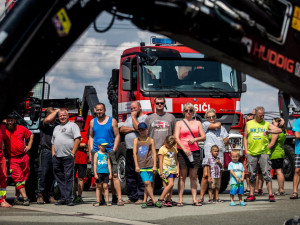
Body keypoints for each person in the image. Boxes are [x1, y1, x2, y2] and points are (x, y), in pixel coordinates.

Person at [243, 106, 282, 202]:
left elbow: (279, 130)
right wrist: (246, 151)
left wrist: (269, 131)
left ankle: (271, 194)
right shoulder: (249, 124)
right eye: (260, 115)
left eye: (263, 115)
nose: (262, 117)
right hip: (252, 152)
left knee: (266, 173)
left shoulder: (266, 124)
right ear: (255, 115)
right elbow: (245, 137)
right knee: (252, 173)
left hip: (264, 152)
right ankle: (252, 194)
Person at [88, 103, 123, 206]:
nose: (99, 112)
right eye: (97, 110)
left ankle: (118, 198)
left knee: (114, 175)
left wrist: (114, 149)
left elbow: (117, 136)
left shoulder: (112, 121)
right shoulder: (92, 122)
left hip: (109, 151)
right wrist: (91, 151)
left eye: (101, 110)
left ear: (104, 110)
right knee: (99, 175)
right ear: (95, 110)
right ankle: (101, 199)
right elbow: (90, 136)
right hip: (97, 152)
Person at [174, 103, 206, 206]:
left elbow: (203, 136)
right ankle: (180, 199)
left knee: (193, 176)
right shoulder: (179, 123)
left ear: (193, 112)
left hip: (195, 151)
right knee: (182, 176)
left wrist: (195, 139)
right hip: (182, 151)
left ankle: (194, 199)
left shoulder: (198, 123)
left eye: (190, 110)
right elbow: (176, 137)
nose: (188, 112)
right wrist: (184, 149)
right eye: (186, 110)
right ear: (183, 111)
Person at [145, 96, 176, 191]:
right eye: (158, 103)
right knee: (152, 175)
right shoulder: (149, 118)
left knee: (167, 175)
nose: (159, 105)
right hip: (154, 150)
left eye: (161, 103)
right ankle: (151, 198)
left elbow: (174, 133)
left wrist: (174, 148)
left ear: (164, 104)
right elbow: (146, 134)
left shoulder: (171, 117)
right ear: (154, 104)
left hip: (167, 150)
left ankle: (167, 198)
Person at [51, 108, 81, 206]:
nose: (62, 117)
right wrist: (53, 154)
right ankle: (63, 198)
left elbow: (77, 139)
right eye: (60, 116)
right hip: (57, 157)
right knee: (59, 178)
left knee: (69, 177)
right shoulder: (56, 127)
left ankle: (70, 198)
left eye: (64, 115)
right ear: (58, 117)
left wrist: (72, 153)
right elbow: (53, 142)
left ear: (68, 116)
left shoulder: (73, 125)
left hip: (68, 156)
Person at [120, 101, 147, 204]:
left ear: (140, 107)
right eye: (131, 109)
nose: (133, 110)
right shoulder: (128, 118)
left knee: (140, 173)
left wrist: (134, 118)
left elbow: (139, 128)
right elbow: (122, 129)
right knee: (129, 174)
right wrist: (132, 129)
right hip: (130, 149)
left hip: (141, 149)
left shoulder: (144, 118)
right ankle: (132, 197)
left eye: (134, 108)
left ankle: (141, 197)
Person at [199, 108, 228, 203]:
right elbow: (217, 124)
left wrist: (226, 140)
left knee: (218, 176)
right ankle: (202, 197)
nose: (211, 118)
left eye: (213, 116)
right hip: (208, 154)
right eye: (209, 117)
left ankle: (216, 197)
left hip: (219, 154)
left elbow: (226, 139)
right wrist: (219, 124)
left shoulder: (223, 129)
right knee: (206, 175)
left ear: (216, 116)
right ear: (206, 118)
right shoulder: (205, 124)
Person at [4, 113, 34, 206]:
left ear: (14, 121)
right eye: (8, 120)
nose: (9, 122)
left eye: (11, 120)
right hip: (13, 159)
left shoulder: (21, 128)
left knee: (23, 179)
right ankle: (25, 198)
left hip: (24, 157)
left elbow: (31, 135)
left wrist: (29, 146)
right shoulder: (4, 130)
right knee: (18, 179)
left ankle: (16, 198)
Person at [133, 122, 162, 208]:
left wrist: (154, 165)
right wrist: (136, 165)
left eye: (143, 130)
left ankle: (145, 200)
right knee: (146, 182)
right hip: (141, 165)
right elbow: (134, 153)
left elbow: (153, 153)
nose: (142, 131)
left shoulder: (151, 140)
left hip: (149, 164)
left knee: (148, 184)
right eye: (140, 130)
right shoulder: (136, 140)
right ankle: (154, 200)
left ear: (147, 130)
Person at [37, 107, 58, 204]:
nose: (55, 116)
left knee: (53, 174)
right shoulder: (43, 123)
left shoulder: (57, 125)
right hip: (46, 151)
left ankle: (50, 194)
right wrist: (57, 111)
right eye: (52, 114)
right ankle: (40, 195)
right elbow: (48, 119)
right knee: (43, 173)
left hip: (57, 151)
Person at [157, 135, 179, 207]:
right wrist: (161, 172)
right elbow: (160, 161)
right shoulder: (162, 149)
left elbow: (176, 160)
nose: (169, 147)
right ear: (165, 142)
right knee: (170, 184)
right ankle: (161, 198)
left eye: (171, 146)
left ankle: (168, 199)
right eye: (168, 145)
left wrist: (177, 170)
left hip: (173, 168)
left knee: (171, 186)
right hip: (166, 169)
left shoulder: (174, 149)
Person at [268, 118, 286, 196]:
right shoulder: (283, 130)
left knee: (279, 172)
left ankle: (281, 189)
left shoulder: (276, 132)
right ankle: (281, 189)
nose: (271, 124)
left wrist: (263, 150)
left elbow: (272, 144)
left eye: (273, 123)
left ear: (278, 123)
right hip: (281, 152)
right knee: (280, 171)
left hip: (275, 153)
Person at [74, 115, 88, 204]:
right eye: (78, 122)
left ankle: (79, 196)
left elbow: (84, 144)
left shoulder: (85, 133)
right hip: (73, 158)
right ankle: (73, 195)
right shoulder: (72, 133)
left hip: (82, 158)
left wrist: (75, 143)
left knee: (81, 178)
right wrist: (79, 142)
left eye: (81, 122)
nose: (79, 123)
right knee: (72, 178)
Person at [93, 139, 112, 207]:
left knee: (106, 186)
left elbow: (109, 164)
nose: (104, 147)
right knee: (98, 186)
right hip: (99, 172)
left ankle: (107, 201)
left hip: (106, 172)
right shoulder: (96, 154)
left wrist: (110, 173)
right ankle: (98, 201)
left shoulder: (107, 154)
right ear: (99, 146)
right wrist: (95, 173)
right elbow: (95, 164)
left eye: (105, 146)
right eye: (103, 146)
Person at [0, 122, 12, 207]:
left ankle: (2, 199)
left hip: (1, 156)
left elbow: (5, 140)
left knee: (3, 177)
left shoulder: (2, 127)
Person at [291, 117, 300, 199]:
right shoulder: (298, 121)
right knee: (297, 170)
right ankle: (295, 192)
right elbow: (297, 135)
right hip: (299, 150)